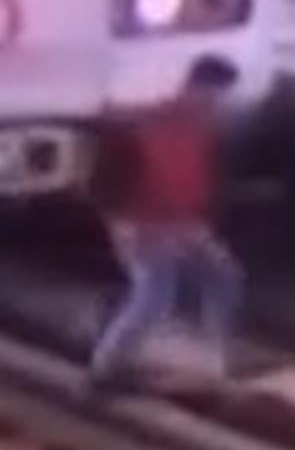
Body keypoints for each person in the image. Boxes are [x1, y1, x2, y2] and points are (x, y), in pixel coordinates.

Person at [84, 54, 247, 394]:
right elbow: (105, 181)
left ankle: (213, 360)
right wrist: (126, 222)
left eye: (221, 97)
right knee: (156, 293)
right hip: (142, 222)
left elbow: (201, 177)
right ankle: (104, 370)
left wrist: (202, 217)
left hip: (182, 221)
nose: (218, 103)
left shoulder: (202, 127)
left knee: (224, 275)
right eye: (214, 94)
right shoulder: (149, 123)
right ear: (194, 87)